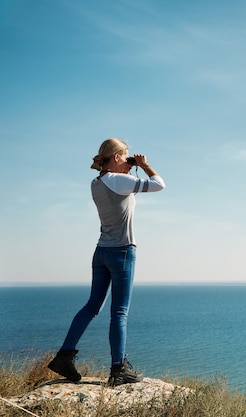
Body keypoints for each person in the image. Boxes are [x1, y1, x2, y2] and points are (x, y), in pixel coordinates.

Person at [48, 137, 165, 386]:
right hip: (122, 251)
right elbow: (159, 185)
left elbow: (119, 187)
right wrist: (144, 165)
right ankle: (118, 369)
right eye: (125, 157)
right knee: (119, 312)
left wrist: (129, 167)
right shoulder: (119, 180)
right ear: (116, 157)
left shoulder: (96, 182)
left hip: (101, 251)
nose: (128, 162)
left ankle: (64, 357)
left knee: (91, 306)